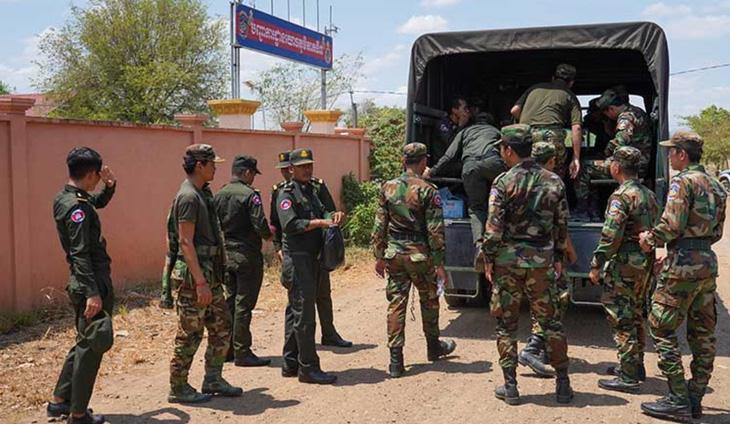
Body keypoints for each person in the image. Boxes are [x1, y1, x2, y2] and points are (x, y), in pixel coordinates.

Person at [638, 132, 727, 421]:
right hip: (706, 263)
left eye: (671, 151)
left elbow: (672, 224)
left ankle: (677, 397)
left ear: (682, 154)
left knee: (660, 326)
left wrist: (650, 240)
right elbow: (717, 231)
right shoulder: (716, 184)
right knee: (703, 334)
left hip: (682, 266)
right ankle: (695, 398)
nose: (669, 156)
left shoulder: (683, 182)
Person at [482, 124, 573, 405]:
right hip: (542, 261)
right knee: (551, 322)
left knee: (506, 324)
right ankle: (563, 384)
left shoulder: (502, 182)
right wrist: (558, 258)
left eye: (501, 148)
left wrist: (489, 258)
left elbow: (493, 229)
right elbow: (562, 226)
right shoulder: (554, 181)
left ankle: (510, 386)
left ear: (508, 149)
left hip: (508, 262)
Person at [372, 142, 457, 378]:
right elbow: (436, 231)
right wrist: (440, 264)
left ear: (403, 161)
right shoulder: (428, 190)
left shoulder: (387, 187)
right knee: (429, 302)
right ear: (422, 162)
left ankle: (396, 361)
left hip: (395, 254)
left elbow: (380, 225)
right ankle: (433, 347)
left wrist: (379, 256)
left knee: (396, 304)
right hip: (420, 255)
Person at [168, 144, 242, 403]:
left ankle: (213, 378)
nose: (215, 168)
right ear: (199, 165)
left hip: (209, 273)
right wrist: (200, 282)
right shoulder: (188, 197)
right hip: (193, 277)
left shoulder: (202, 193)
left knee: (222, 326)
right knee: (190, 333)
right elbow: (185, 242)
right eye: (212, 164)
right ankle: (178, 388)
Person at [47, 147, 116, 424]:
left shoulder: (66, 198)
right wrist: (93, 293)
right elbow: (80, 253)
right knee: (92, 347)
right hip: (91, 281)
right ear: (90, 174)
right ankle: (78, 414)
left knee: (84, 342)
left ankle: (60, 402)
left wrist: (110, 187)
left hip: (85, 280)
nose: (99, 180)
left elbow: (95, 202)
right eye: (98, 176)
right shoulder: (78, 208)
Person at [586, 146, 659, 394]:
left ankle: (628, 376)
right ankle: (635, 366)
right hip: (644, 263)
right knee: (637, 311)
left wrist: (597, 263)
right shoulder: (649, 194)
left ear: (616, 168)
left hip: (625, 262)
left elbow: (610, 236)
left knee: (621, 316)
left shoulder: (621, 197)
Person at [271, 150, 352, 348]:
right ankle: (297, 352)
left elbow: (329, 210)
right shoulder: (282, 192)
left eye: (309, 166)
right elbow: (278, 223)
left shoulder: (316, 187)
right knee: (298, 304)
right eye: (301, 166)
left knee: (323, 293)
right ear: (290, 169)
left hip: (318, 250)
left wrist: (335, 215)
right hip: (297, 254)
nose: (307, 170)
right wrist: (278, 248)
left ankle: (328, 333)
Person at [517, 141, 576, 379]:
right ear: (551, 160)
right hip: (545, 253)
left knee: (535, 302)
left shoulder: (511, 179)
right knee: (554, 300)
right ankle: (534, 347)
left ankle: (537, 349)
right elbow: (561, 225)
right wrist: (567, 252)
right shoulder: (553, 182)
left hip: (516, 255)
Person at [214, 155, 273, 367]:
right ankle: (242, 352)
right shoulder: (250, 195)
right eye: (253, 174)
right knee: (244, 305)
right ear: (247, 173)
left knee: (231, 302)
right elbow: (260, 225)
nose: (253, 179)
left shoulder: (219, 194)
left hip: (226, 255)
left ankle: (227, 349)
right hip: (247, 256)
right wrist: (270, 235)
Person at [426, 112, 507, 244]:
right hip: (493, 162)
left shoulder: (465, 132)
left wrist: (432, 172)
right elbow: (507, 153)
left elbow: (449, 156)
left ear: (475, 122)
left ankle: (480, 243)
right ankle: (500, 240)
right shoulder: (496, 131)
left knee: (476, 207)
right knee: (504, 201)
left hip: (470, 166)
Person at [574, 88, 652, 220]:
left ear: (610, 109)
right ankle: (593, 210)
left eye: (606, 113)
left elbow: (620, 141)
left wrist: (606, 152)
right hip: (639, 162)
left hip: (628, 165)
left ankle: (584, 210)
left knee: (583, 167)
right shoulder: (638, 112)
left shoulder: (625, 117)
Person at [510, 63, 583, 180]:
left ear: (553, 78)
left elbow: (514, 110)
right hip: (552, 136)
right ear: (571, 83)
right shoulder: (569, 95)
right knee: (554, 175)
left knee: (527, 173)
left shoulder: (535, 88)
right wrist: (576, 158)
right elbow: (577, 128)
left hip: (527, 135)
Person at [432, 95, 470, 175]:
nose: (467, 111)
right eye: (464, 108)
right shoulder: (443, 124)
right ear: (455, 110)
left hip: (455, 161)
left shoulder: (464, 125)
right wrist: (460, 126)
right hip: (444, 164)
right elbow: (451, 145)